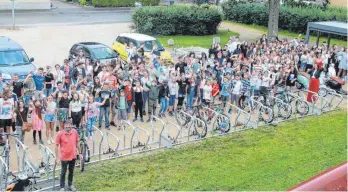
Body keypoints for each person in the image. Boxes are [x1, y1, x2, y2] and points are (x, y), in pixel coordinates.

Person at [55, 119, 81, 191]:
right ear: (64, 126)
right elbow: (56, 146)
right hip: (64, 157)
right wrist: (57, 158)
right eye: (66, 125)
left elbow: (78, 142)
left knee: (71, 171)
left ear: (71, 126)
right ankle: (62, 187)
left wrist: (80, 153)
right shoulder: (60, 134)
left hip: (73, 156)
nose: (68, 127)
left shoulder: (75, 132)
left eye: (69, 125)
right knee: (63, 172)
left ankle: (70, 185)